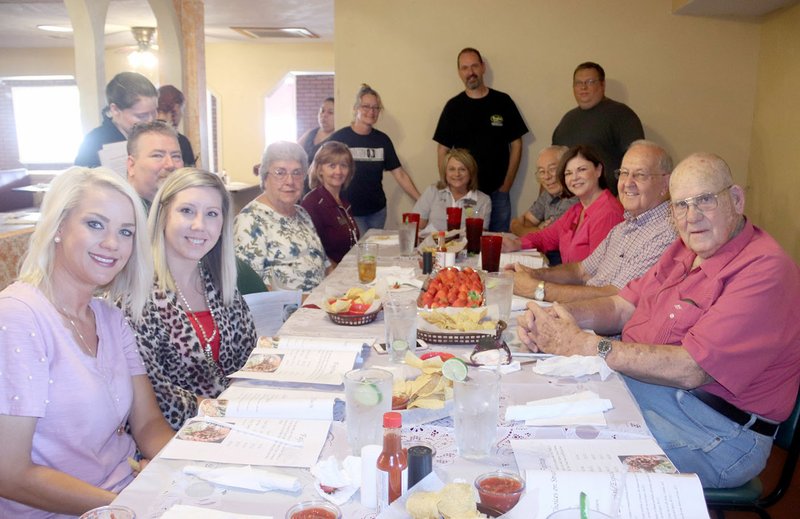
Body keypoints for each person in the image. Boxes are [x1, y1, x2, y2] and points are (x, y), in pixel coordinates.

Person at [517, 153, 800, 489]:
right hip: (655, 392)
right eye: (681, 206)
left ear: (736, 199)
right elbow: (622, 306)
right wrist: (556, 320)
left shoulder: (764, 270)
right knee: (539, 417)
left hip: (719, 431)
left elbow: (691, 368)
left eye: (705, 200)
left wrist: (588, 345)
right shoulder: (685, 249)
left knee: (574, 463)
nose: (692, 217)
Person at [0, 167, 174, 516]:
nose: (113, 244)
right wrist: (130, 506)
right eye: (95, 224)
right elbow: (11, 474)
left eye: (126, 232)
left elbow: (147, 424)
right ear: (59, 226)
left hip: (124, 495)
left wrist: (193, 464)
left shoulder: (110, 318)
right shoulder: (18, 317)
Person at [128, 168, 258, 430]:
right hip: (174, 435)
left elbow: (251, 361)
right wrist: (230, 413)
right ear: (163, 214)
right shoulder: (136, 296)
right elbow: (157, 399)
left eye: (212, 214)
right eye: (187, 211)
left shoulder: (220, 284)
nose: (200, 225)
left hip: (235, 420)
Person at [511, 140, 676, 303]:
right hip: (581, 306)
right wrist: (533, 274)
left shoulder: (665, 233)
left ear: (665, 183)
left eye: (640, 174)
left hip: (596, 318)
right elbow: (580, 270)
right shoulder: (623, 226)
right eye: (624, 173)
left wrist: (537, 289)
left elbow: (615, 298)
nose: (627, 183)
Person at [433, 47, 529, 232]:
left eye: (474, 66)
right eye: (465, 68)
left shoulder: (503, 101)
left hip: (498, 194)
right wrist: (448, 185)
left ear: (483, 67)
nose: (471, 72)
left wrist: (506, 186)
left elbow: (517, 144)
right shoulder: (453, 107)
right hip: (465, 196)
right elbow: (442, 149)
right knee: (465, 247)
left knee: (498, 249)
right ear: (459, 72)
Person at [234, 141, 330, 291]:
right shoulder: (249, 222)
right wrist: (308, 301)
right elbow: (251, 290)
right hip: (287, 311)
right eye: (280, 172)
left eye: (297, 172)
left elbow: (324, 264)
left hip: (320, 302)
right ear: (265, 177)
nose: (290, 181)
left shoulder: (302, 213)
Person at [505, 145, 623, 264]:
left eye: (581, 169)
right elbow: (545, 238)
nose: (574, 178)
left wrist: (541, 279)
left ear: (598, 170)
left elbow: (593, 272)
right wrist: (515, 244)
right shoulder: (577, 210)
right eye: (568, 173)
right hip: (570, 278)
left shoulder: (608, 213)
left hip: (582, 281)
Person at [328, 84, 421, 234]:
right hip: (350, 212)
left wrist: (420, 199)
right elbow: (323, 170)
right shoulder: (339, 138)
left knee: (373, 254)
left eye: (375, 108)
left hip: (377, 212)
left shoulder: (382, 140)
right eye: (366, 107)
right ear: (356, 108)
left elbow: (400, 174)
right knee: (362, 252)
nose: (371, 112)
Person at [552, 62, 644, 196]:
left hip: (609, 200)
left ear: (602, 85)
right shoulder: (567, 120)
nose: (583, 87)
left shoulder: (621, 115)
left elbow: (638, 160)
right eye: (578, 83)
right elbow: (553, 163)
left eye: (590, 81)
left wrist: (622, 197)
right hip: (570, 204)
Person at [75, 72, 158, 168]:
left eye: (154, 112)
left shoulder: (162, 135)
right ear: (115, 109)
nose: (150, 121)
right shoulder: (93, 143)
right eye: (141, 116)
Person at [301, 141, 360, 265]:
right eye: (332, 166)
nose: (338, 171)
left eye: (343, 165)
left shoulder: (343, 202)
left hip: (349, 268)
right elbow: (314, 251)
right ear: (320, 169)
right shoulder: (312, 203)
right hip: (330, 275)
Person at [412, 148, 491, 232]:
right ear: (445, 172)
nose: (457, 174)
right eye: (452, 169)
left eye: (462, 169)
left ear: (471, 173)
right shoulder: (433, 191)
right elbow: (416, 226)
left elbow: (479, 235)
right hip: (433, 244)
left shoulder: (484, 200)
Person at [510, 146, 576, 236]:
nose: (547, 177)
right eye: (542, 171)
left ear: (567, 168)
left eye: (552, 169)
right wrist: (537, 230)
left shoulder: (575, 198)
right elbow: (526, 220)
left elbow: (551, 236)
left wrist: (519, 229)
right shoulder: (548, 194)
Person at [126, 120, 184, 213]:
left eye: (176, 156)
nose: (170, 165)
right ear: (131, 165)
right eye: (157, 155)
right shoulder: (119, 213)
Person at [298, 97, 335, 193]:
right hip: (303, 186)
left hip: (324, 189)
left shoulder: (337, 138)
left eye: (330, 112)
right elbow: (292, 152)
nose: (324, 115)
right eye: (322, 111)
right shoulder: (311, 133)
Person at [157, 84, 196, 167]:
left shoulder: (142, 137)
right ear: (177, 107)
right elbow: (190, 177)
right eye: (182, 109)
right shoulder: (181, 141)